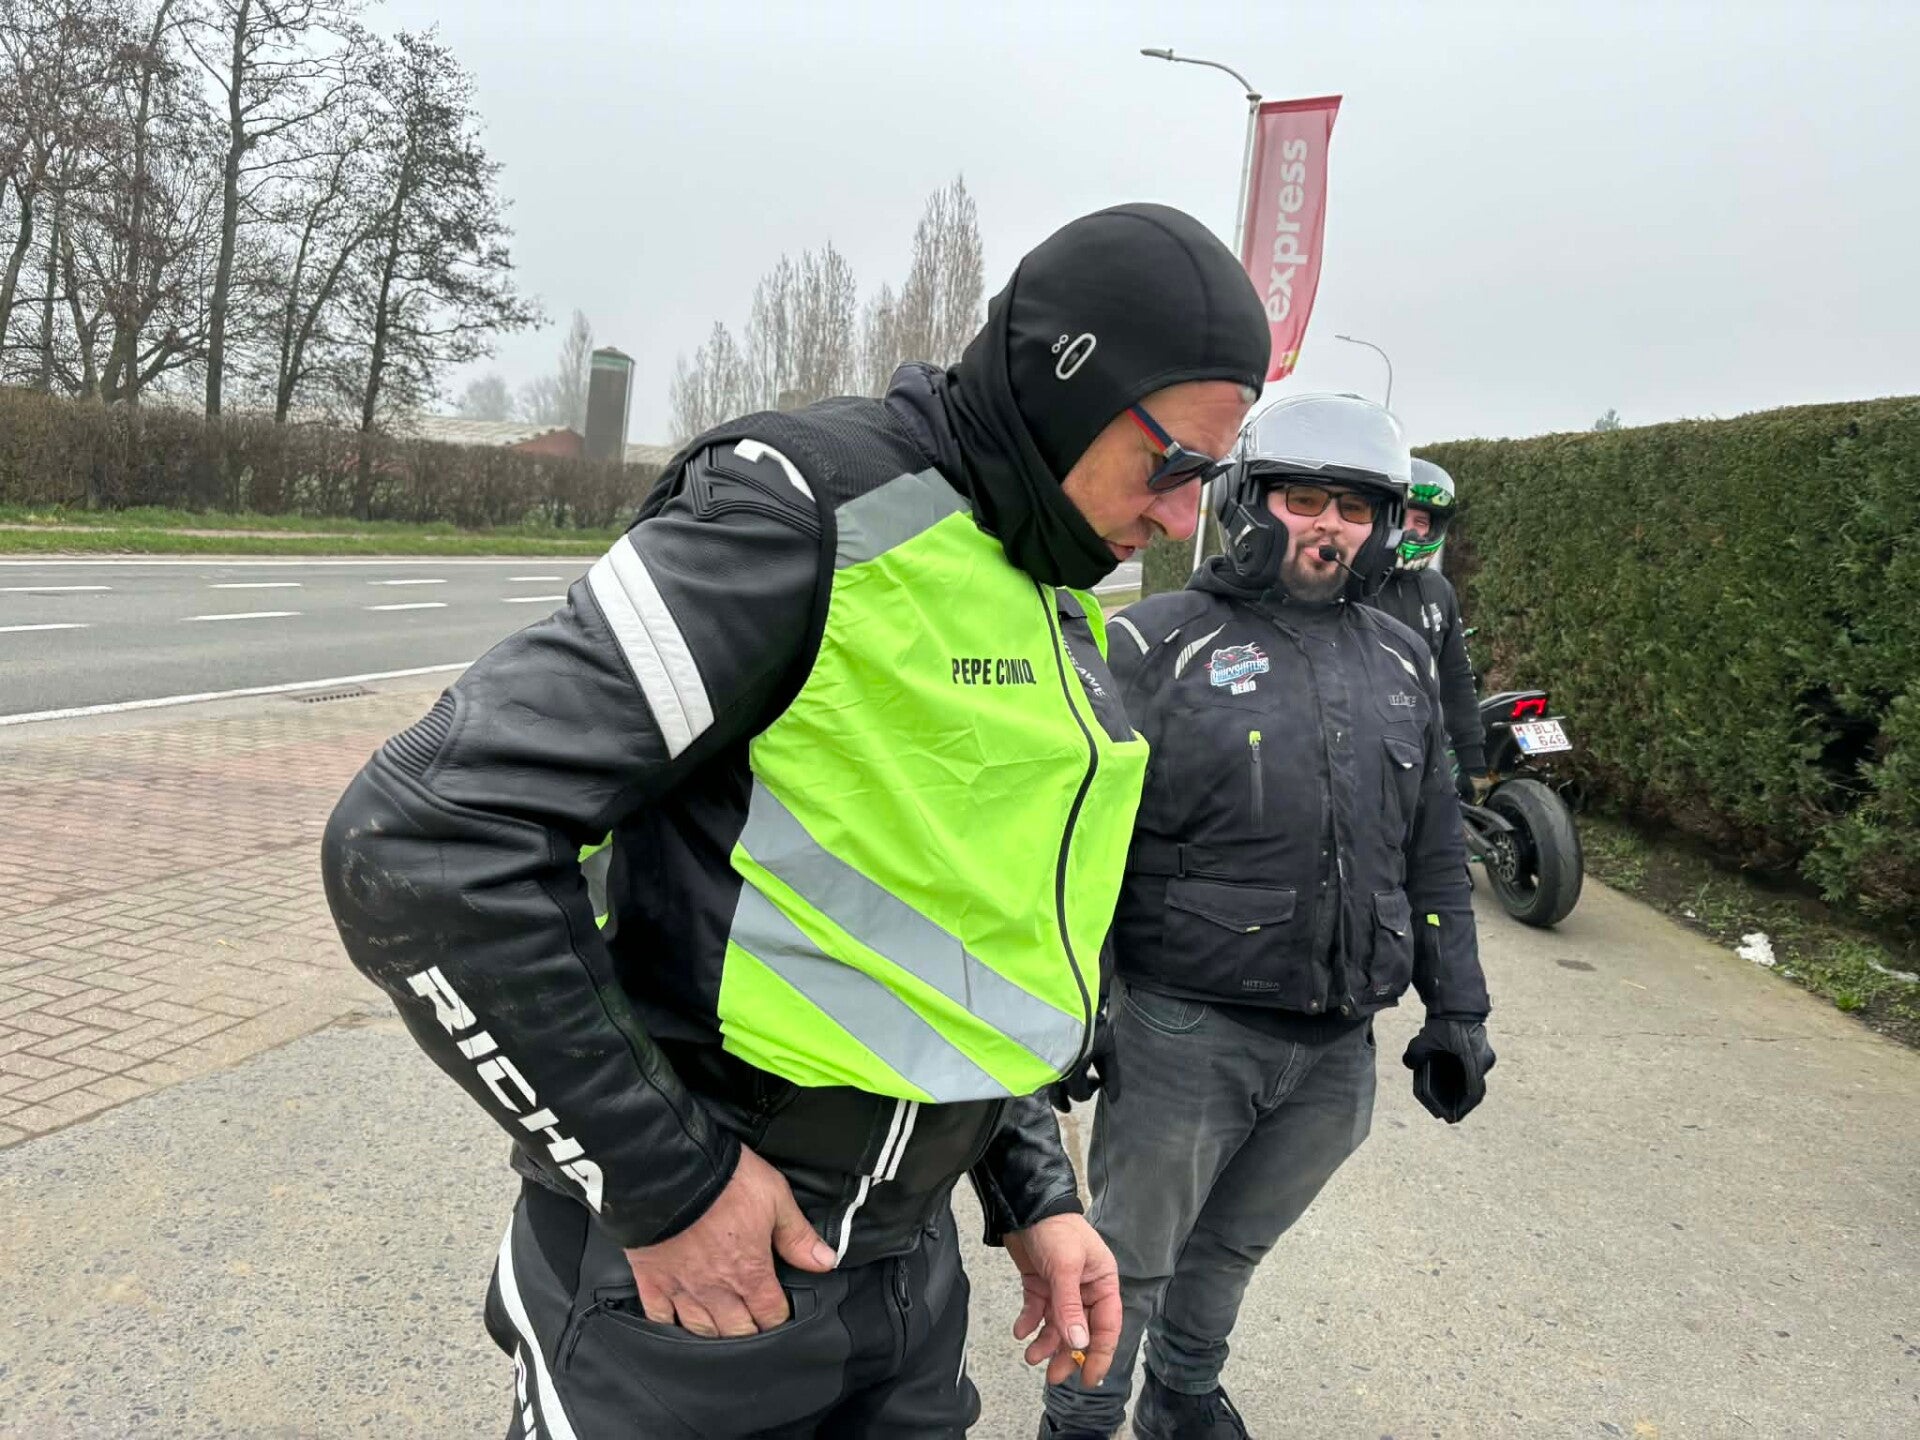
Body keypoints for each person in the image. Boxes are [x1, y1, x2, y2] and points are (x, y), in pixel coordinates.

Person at [320, 202, 1270, 1439]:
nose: (1186, 518)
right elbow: (421, 842)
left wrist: (1033, 1191)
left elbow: (963, 940)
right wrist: (664, 1185)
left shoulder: (1045, 579)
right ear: (1066, 388)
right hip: (699, 1282)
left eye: (1212, 479)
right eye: (1175, 465)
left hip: (903, 1279)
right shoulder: (808, 510)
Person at [1037, 395, 1496, 1440]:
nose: (1330, 526)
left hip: (1336, 1047)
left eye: (1354, 508)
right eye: (1305, 499)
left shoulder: (1401, 657)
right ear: (1250, 503)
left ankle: (1183, 1394)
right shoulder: (1153, 643)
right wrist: (1070, 1006)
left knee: (1235, 1244)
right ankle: (1081, 1421)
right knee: (1127, 1261)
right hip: (1185, 1031)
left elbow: (1432, 847)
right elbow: (1075, 846)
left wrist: (1458, 1009)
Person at [1365, 456, 1489, 803]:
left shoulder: (1439, 589)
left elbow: (1456, 677)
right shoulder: (1348, 582)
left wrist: (1473, 762)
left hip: (1425, 753)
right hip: (1361, 756)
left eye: (1421, 521)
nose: (1411, 529)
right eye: (1402, 515)